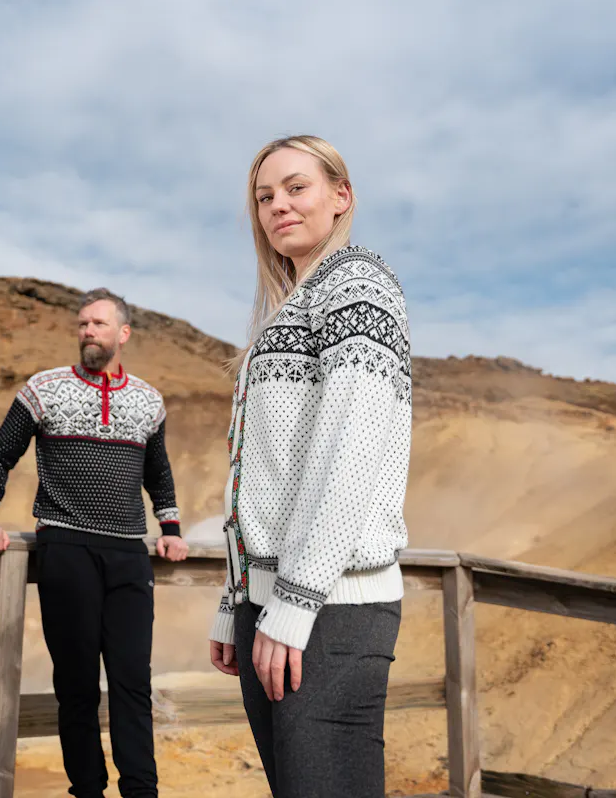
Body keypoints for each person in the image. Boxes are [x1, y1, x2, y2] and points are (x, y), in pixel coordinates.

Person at [207, 135, 411, 797]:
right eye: (265, 197)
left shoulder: (357, 284)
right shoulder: (287, 310)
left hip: (329, 609)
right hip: (272, 604)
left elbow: (349, 452)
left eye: (297, 187)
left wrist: (293, 605)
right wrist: (235, 599)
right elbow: (261, 475)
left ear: (340, 196)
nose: (278, 206)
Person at [0, 288, 189, 798]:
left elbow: (158, 473)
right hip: (66, 548)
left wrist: (172, 530)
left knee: (134, 683)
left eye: (98, 324)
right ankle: (87, 791)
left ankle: (141, 792)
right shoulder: (42, 389)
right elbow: (0, 454)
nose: (88, 331)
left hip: (130, 555)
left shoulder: (148, 400)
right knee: (76, 686)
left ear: (123, 333)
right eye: (82, 324)